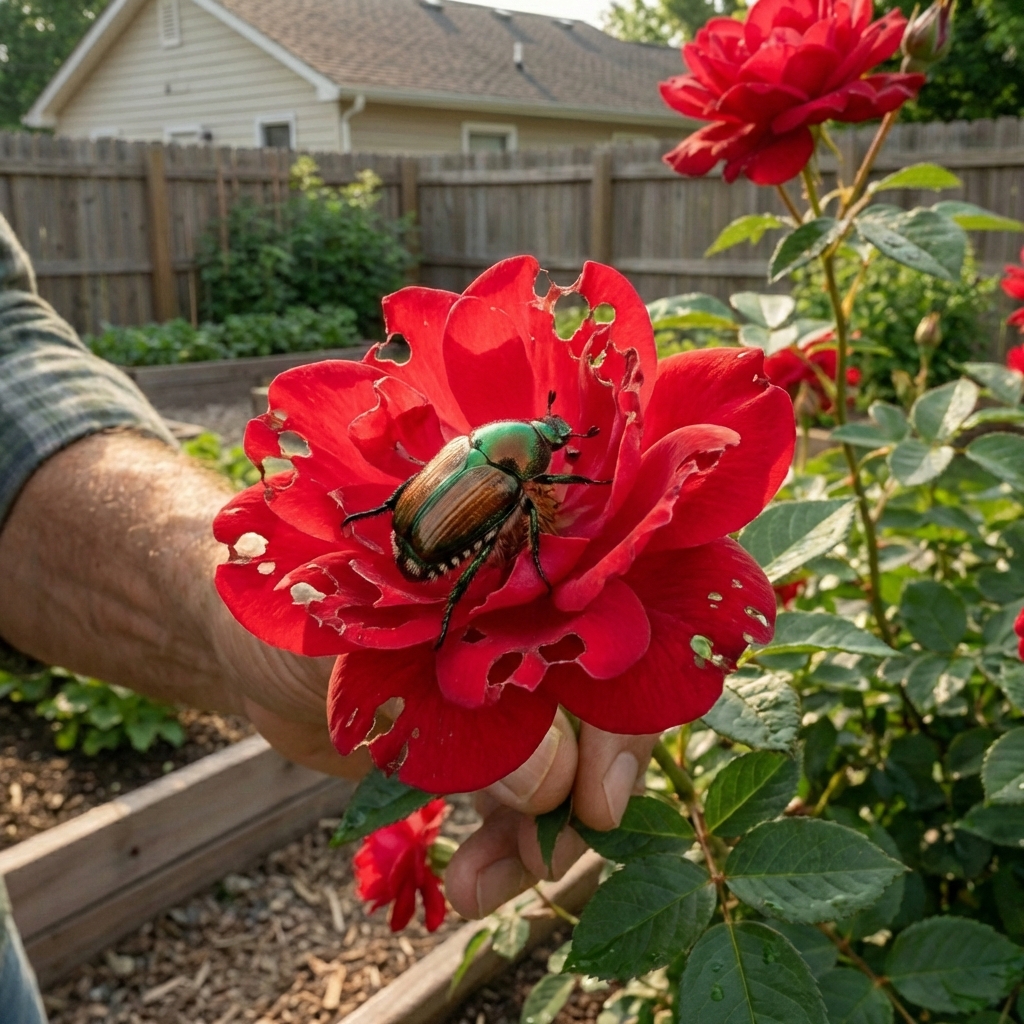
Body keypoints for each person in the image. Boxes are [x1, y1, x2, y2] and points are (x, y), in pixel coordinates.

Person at [0, 212, 656, 1019]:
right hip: (439, 550)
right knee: (488, 549)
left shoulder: (492, 452)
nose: (557, 458)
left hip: (427, 519)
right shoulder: (519, 474)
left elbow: (9, 356)